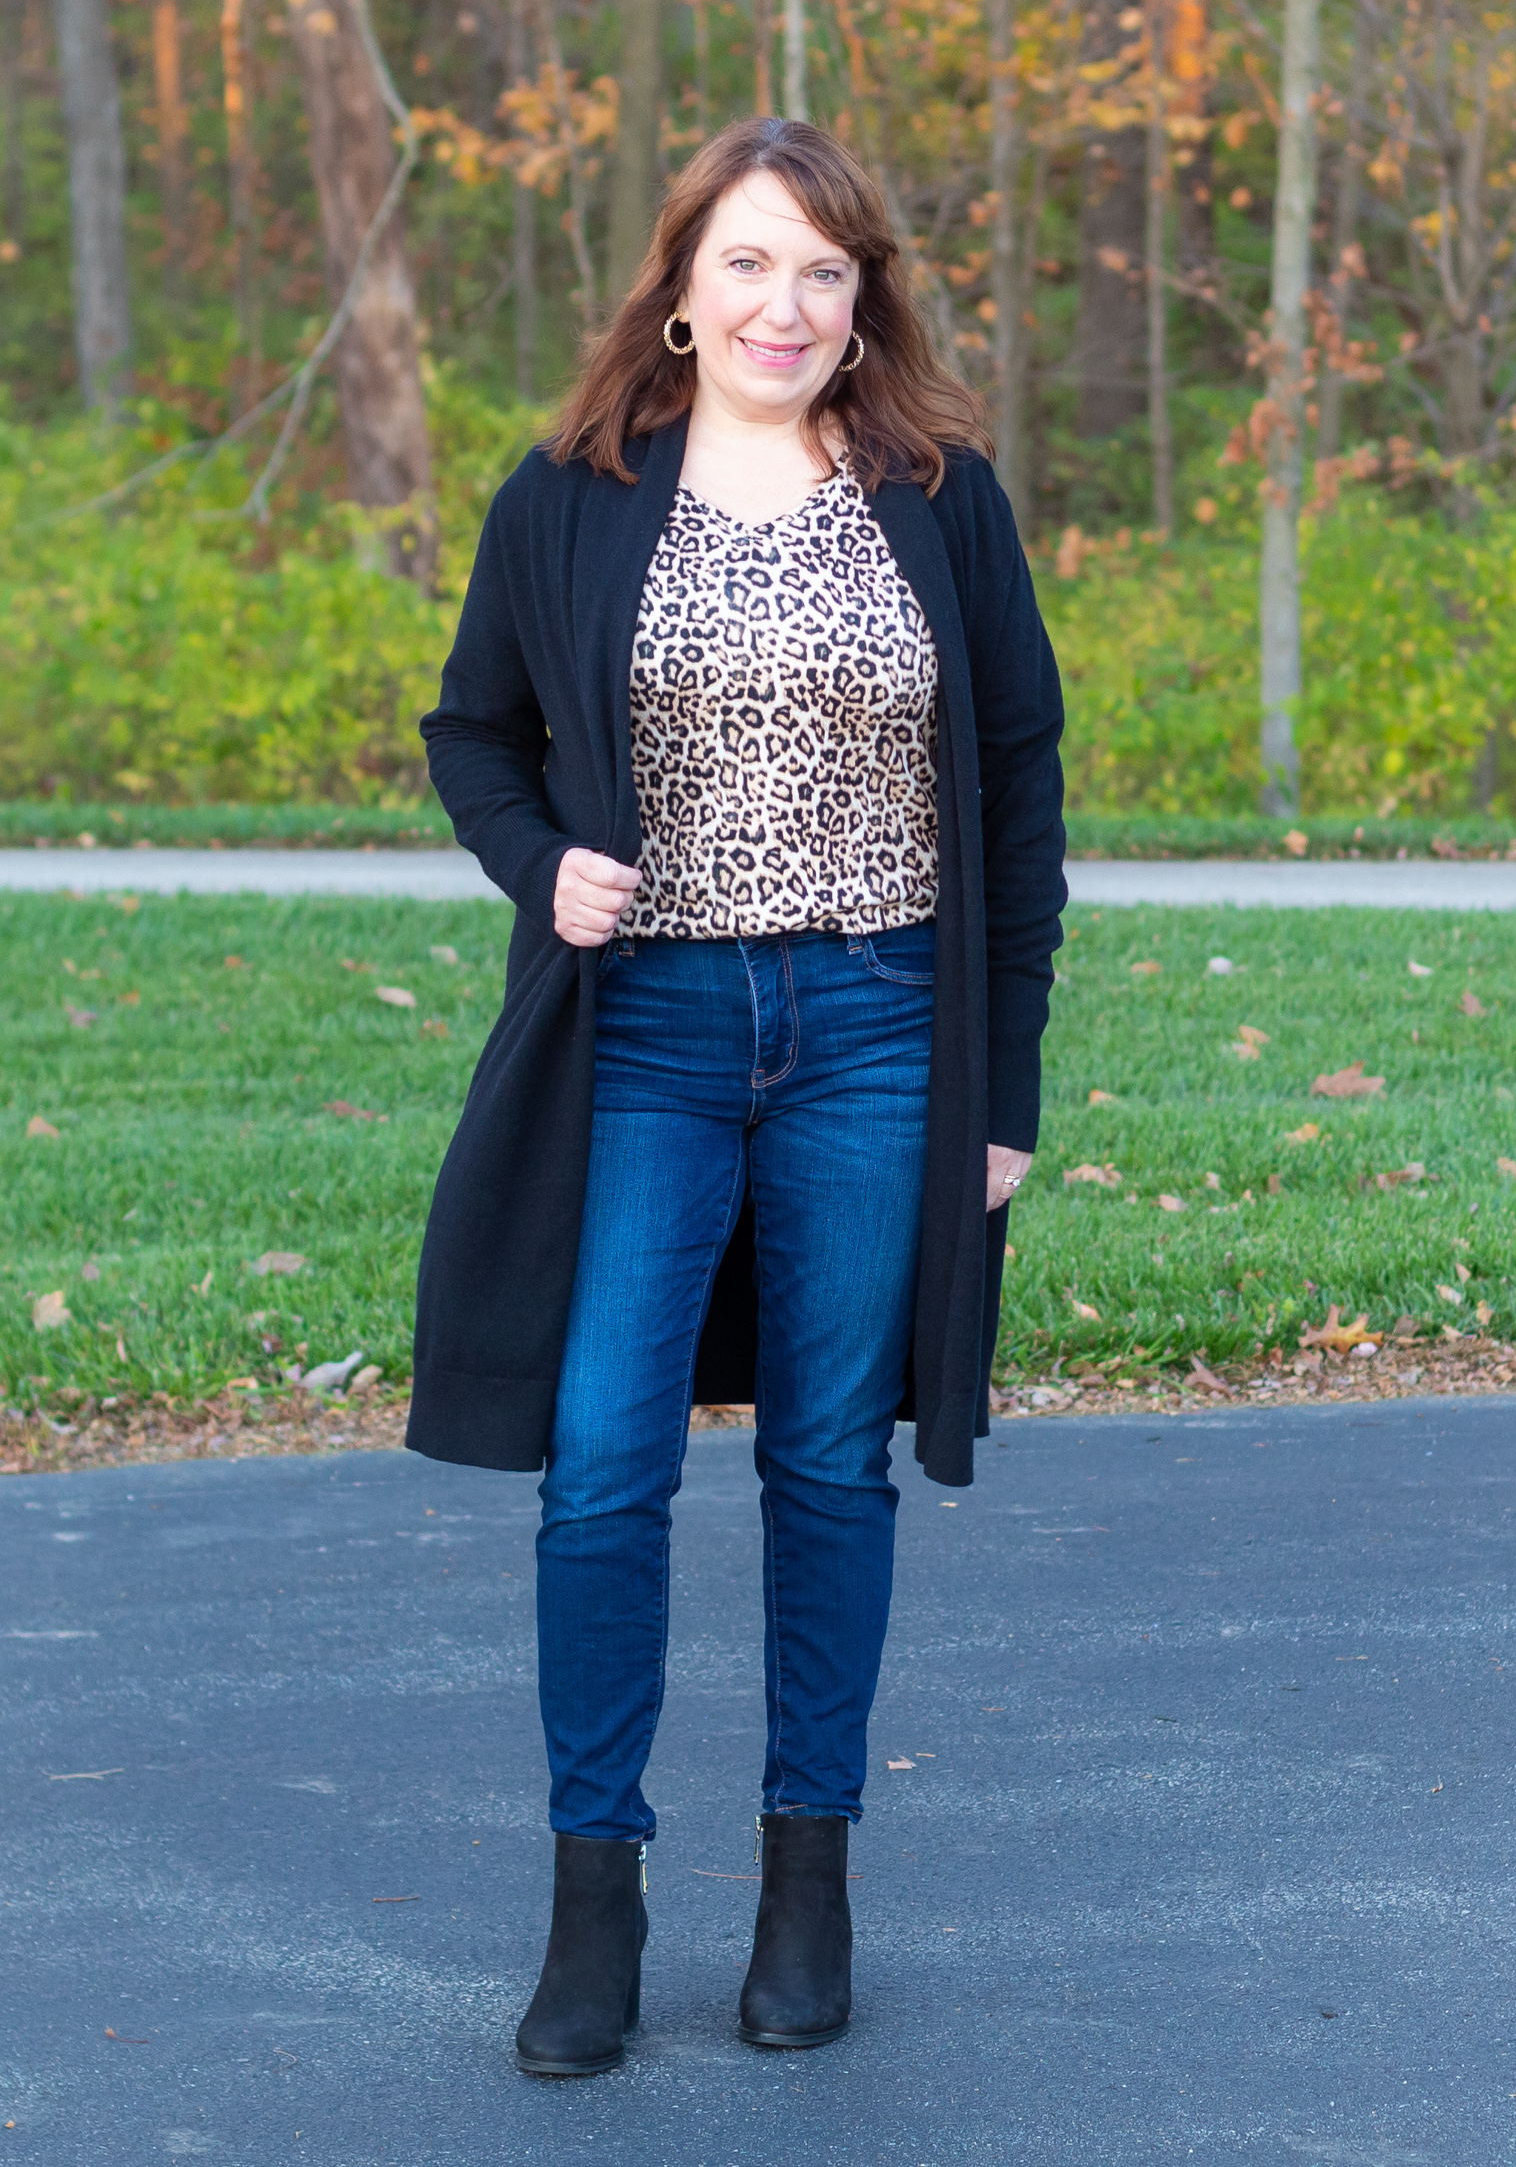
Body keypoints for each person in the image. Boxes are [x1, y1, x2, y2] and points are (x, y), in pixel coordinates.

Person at [407, 117, 1066, 2075]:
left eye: (825, 271)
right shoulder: (570, 497)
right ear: (680, 289)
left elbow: (1019, 796)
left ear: (862, 304)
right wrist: (542, 862)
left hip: (879, 1033)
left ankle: (805, 1884)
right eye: (751, 264)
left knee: (817, 1463)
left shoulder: (939, 498)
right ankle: (590, 1903)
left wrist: (1002, 1088)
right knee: (605, 1458)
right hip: (650, 1041)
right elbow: (473, 735)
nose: (786, 303)